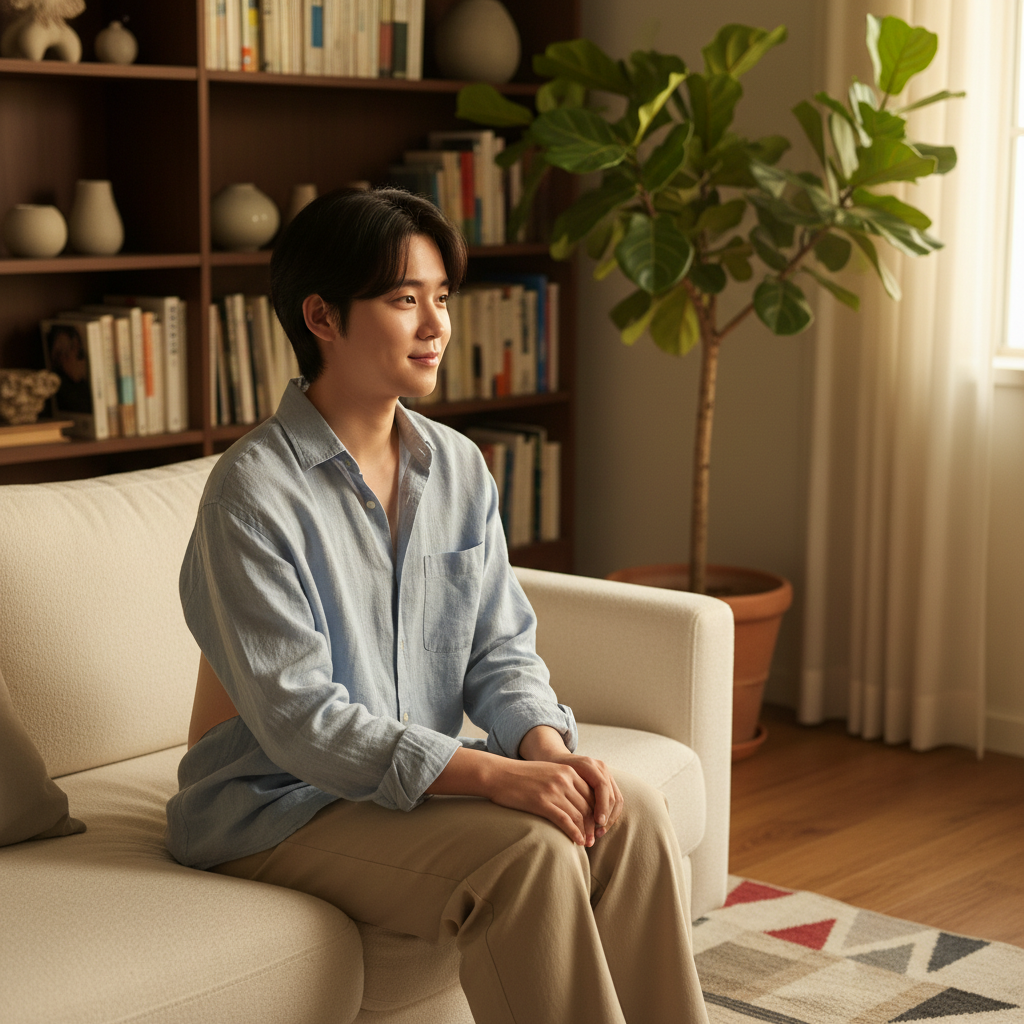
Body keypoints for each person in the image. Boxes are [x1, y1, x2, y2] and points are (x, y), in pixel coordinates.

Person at [166, 187, 710, 1024]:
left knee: (625, 811)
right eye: (403, 299)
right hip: (273, 809)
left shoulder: (456, 467)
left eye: (442, 298)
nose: (437, 325)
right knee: (527, 850)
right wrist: (496, 776)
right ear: (322, 317)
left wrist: (542, 746)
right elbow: (302, 721)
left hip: (396, 788)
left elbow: (500, 648)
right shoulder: (251, 496)